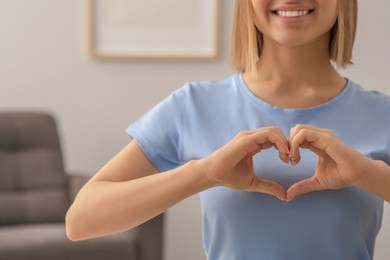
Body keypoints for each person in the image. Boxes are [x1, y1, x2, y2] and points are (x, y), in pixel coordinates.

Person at [66, 0, 390, 259]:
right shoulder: (193, 105)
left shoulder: (383, 114)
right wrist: (205, 173)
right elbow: (81, 220)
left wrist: (366, 173)